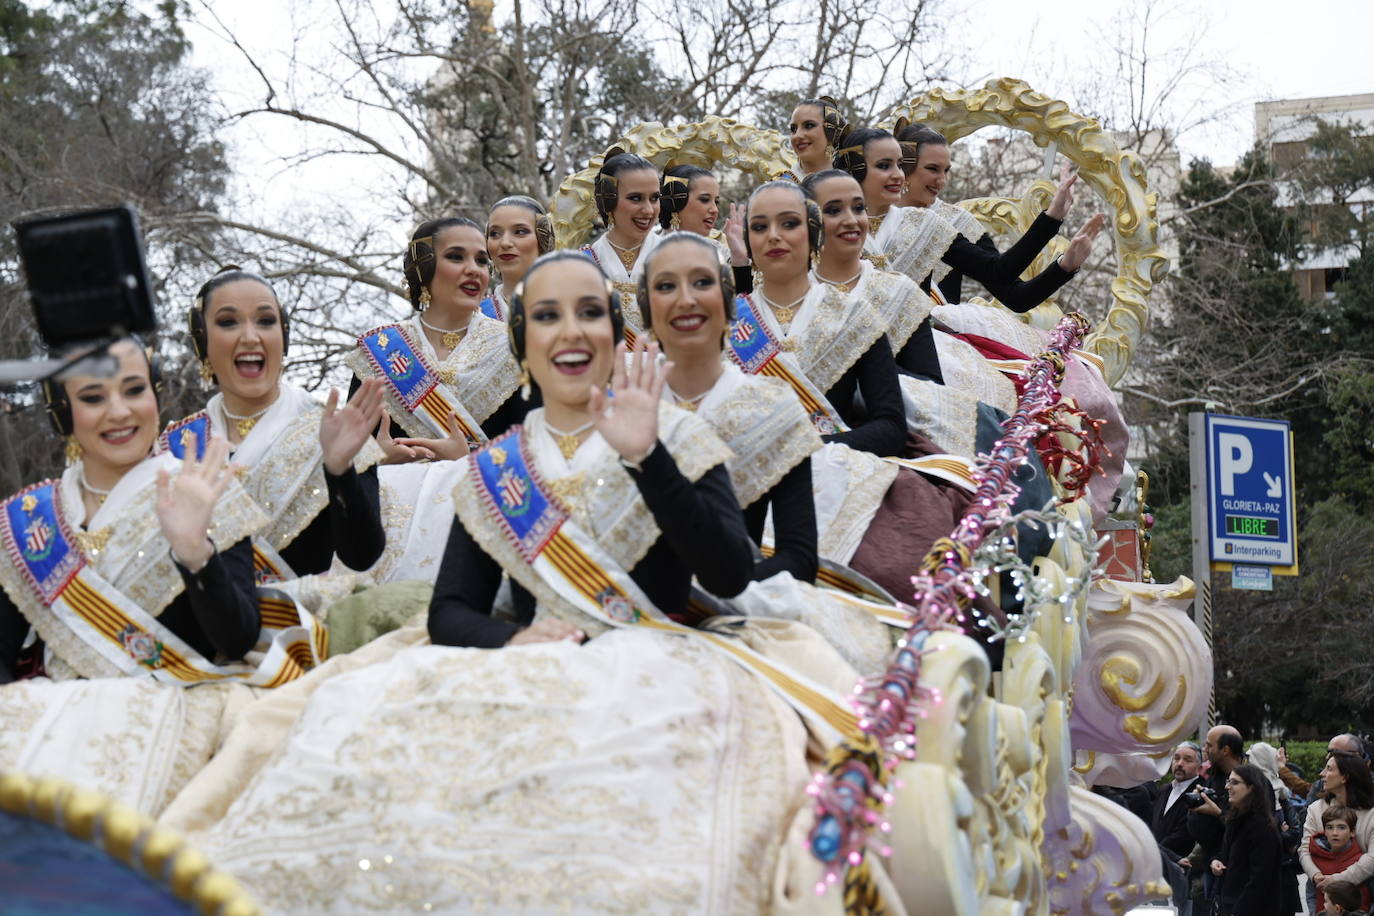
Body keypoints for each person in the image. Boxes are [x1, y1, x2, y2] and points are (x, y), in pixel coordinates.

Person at [427, 250, 756, 647]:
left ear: (614, 332)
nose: (571, 332)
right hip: (538, 674)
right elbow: (449, 612)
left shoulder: (678, 434)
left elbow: (730, 576)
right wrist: (515, 638)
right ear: (521, 341)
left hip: (659, 668)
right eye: (547, 316)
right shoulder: (498, 467)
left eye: (590, 313)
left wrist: (649, 459)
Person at [0, 338, 316, 685]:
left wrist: (196, 554)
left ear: (155, 394)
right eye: (93, 397)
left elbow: (237, 639)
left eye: (134, 390)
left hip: (174, 708)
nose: (119, 411)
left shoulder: (203, 489)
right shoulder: (28, 520)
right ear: (61, 411)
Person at [166, 267, 386, 581]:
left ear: (283, 335)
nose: (250, 337)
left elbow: (362, 556)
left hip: (313, 625)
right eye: (228, 322)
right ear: (203, 341)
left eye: (266, 321)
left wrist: (339, 469)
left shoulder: (332, 425)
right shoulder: (175, 446)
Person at [740, 180, 906, 458]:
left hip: (836, 471)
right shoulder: (725, 323)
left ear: (813, 232)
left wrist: (807, 451)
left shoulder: (854, 315)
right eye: (759, 227)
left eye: (789, 223)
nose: (773, 236)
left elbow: (891, 427)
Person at [348, 217, 526, 460]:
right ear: (424, 266)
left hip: (480, 495)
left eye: (482, 260)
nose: (474, 269)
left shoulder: (516, 347)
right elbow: (346, 462)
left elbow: (538, 454)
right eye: (455, 256)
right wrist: (378, 460)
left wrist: (466, 459)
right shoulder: (379, 352)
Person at [894, 122, 1102, 309]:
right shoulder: (867, 216)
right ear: (904, 166)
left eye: (946, 171)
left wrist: (1065, 263)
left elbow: (1015, 295)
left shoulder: (951, 222)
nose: (942, 180)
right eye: (932, 169)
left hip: (933, 341)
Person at [581, 151, 663, 333]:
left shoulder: (675, 256)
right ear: (608, 199)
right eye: (636, 198)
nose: (649, 210)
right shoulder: (583, 265)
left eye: (655, 198)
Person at [1208, 763, 1284, 915]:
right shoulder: (1234, 820)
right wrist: (1216, 861)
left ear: (1252, 787)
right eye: (1228, 781)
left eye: (1234, 782)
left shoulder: (1263, 828)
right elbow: (1227, 856)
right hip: (1229, 904)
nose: (1227, 787)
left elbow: (1260, 880)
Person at [1300, 754, 1374, 904]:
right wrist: (1316, 876)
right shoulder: (1316, 808)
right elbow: (1304, 849)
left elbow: (1372, 858)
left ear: (1344, 777)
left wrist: (1337, 880)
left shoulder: (1371, 813)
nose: (1322, 774)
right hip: (1320, 890)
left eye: (1329, 769)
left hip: (1363, 890)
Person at [1188, 725, 1245, 904]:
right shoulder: (1213, 778)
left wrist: (1218, 812)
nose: (1204, 750)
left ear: (1225, 750)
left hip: (1238, 870)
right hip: (1212, 864)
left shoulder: (1253, 782)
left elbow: (1250, 826)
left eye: (1209, 745)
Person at [482, 195, 556, 320]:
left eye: (520, 232)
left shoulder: (574, 304)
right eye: (495, 233)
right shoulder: (475, 316)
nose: (505, 243)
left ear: (543, 237)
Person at [1153, 741, 1204, 912]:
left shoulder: (1200, 794)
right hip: (1158, 869)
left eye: (1187, 759)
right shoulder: (1164, 790)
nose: (1180, 764)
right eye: (1176, 758)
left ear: (1199, 765)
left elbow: (1184, 835)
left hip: (1182, 873)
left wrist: (1155, 849)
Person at [1309, 805, 1372, 913]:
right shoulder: (1316, 859)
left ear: (1352, 832)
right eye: (1329, 827)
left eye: (1341, 827)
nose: (1335, 833)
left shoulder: (1360, 861)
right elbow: (1311, 892)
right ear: (1324, 831)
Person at [788, 96, 849, 178]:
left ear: (833, 130)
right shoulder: (778, 187)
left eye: (809, 126)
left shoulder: (855, 183)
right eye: (793, 129)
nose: (797, 135)